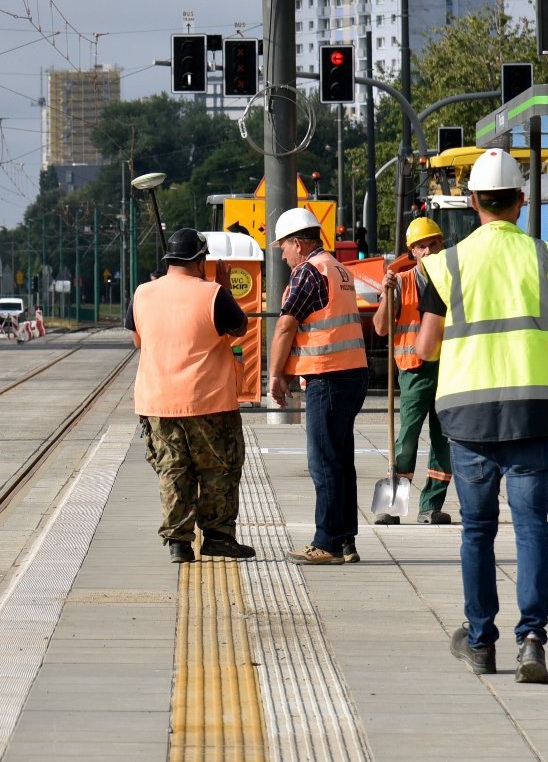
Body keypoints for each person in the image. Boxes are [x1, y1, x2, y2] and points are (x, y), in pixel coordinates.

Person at [415, 148, 548, 684]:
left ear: (471, 203)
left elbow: (424, 347)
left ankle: (481, 640)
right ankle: (532, 640)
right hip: (532, 411)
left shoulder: (443, 265)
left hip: (468, 415)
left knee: (477, 530)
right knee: (532, 525)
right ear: (520, 200)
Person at [125, 228, 253, 563]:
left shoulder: (142, 293)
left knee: (173, 469)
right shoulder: (213, 294)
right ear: (200, 261)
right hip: (207, 399)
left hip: (157, 400)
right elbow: (240, 328)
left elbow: (138, 341)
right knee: (219, 467)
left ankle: (178, 544)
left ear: (169, 261)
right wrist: (224, 288)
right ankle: (218, 537)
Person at [268, 207, 370, 566]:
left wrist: (275, 375)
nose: (282, 253)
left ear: (298, 243)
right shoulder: (338, 268)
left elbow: (284, 327)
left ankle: (325, 541)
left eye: (283, 246)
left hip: (327, 375)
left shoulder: (307, 272)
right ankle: (345, 541)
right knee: (341, 460)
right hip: (352, 372)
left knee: (324, 461)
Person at [372, 217, 453, 526]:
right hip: (414, 370)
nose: (429, 250)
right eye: (422, 246)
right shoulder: (402, 282)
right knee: (406, 438)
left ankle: (431, 506)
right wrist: (386, 295)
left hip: (448, 369)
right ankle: (391, 506)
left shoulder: (452, 279)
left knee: (444, 440)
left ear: (442, 244)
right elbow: (381, 328)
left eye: (434, 243)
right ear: (413, 252)